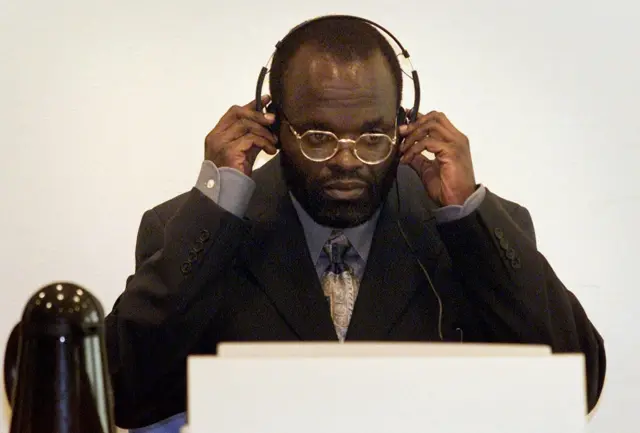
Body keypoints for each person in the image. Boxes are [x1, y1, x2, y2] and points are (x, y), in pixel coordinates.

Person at [104, 15, 606, 431]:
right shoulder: (195, 231)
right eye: (318, 137)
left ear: (403, 123)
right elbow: (120, 393)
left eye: (372, 139)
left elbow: (575, 384)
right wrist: (217, 204)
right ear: (272, 124)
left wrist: (467, 211)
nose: (346, 162)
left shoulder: (467, 232)